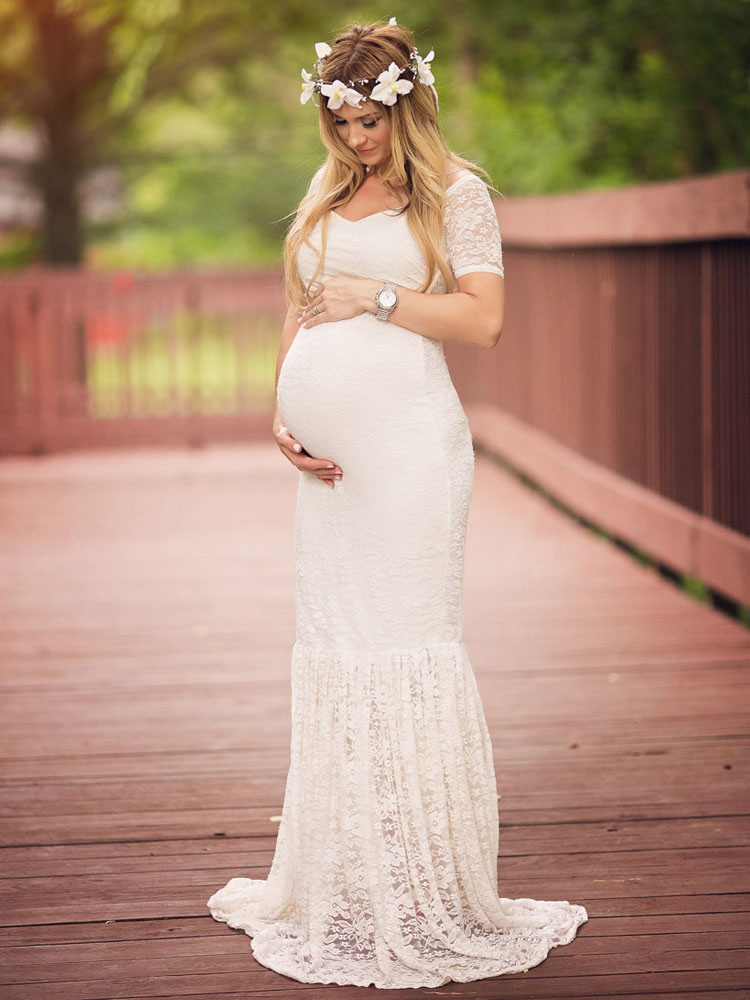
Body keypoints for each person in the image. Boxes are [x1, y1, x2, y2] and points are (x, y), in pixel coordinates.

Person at [207, 16, 588, 990]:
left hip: (413, 459)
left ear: (404, 105)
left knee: (407, 645)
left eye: (365, 121)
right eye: (336, 120)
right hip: (329, 472)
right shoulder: (326, 191)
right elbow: (299, 305)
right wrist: (281, 413)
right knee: (339, 648)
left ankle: (430, 889)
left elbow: (484, 320)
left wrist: (374, 300)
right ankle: (348, 877)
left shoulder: (456, 196)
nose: (351, 139)